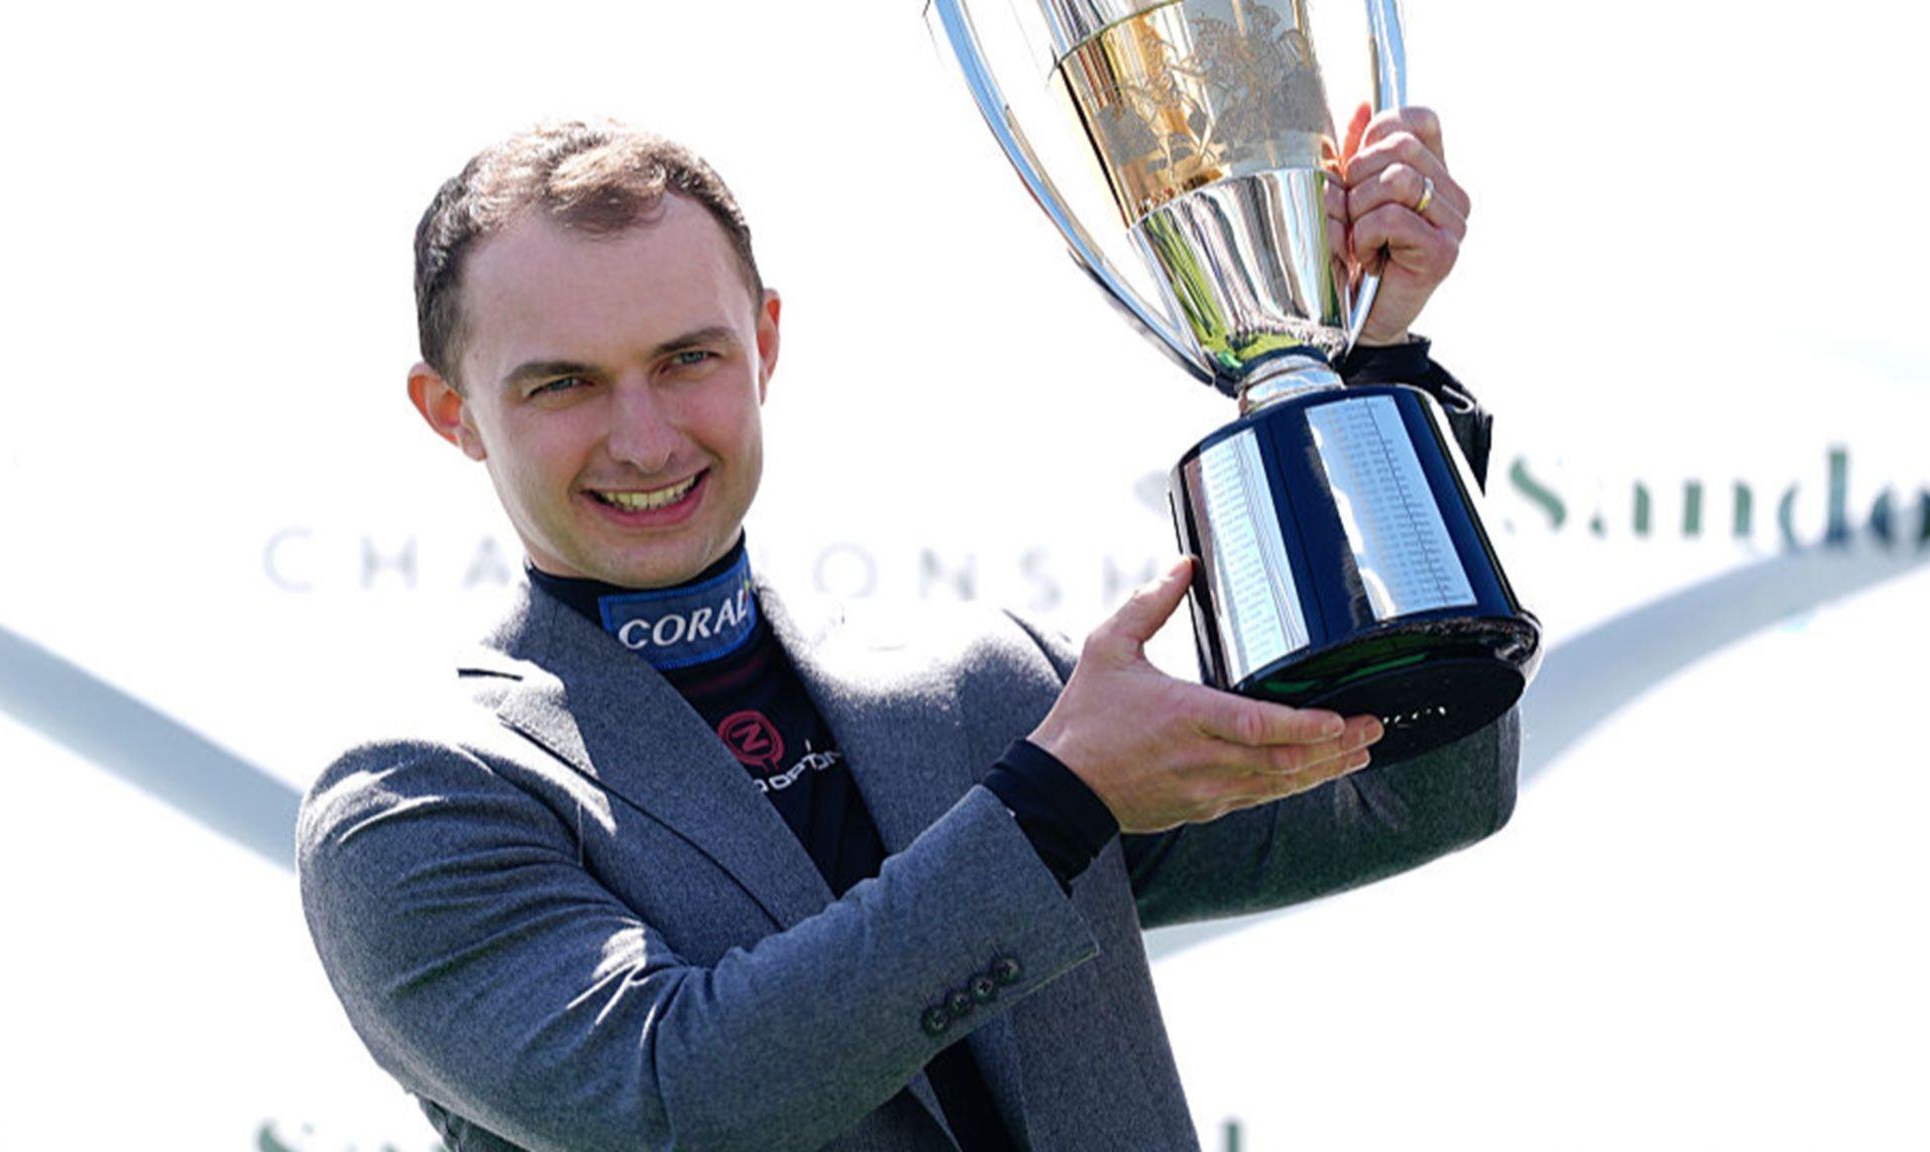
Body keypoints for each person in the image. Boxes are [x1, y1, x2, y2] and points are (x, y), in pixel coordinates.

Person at [298, 112, 1513, 1152]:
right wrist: (1051, 807)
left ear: (764, 343)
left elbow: (1414, 792)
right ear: (450, 411)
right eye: (561, 383)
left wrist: (1363, 369)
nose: (646, 436)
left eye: (687, 359)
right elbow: (675, 1097)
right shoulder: (417, 801)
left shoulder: (986, 688)